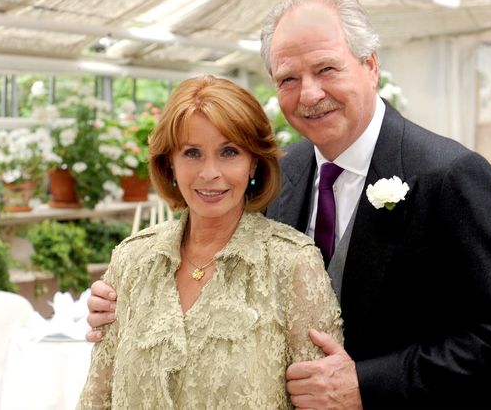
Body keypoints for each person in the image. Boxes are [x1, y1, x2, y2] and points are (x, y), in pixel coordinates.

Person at [87, 0, 491, 409]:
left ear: (370, 65)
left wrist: (367, 383)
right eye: (288, 78)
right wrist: (132, 302)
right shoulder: (280, 173)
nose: (309, 93)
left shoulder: (450, 175)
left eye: (326, 69)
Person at [77, 75, 343, 409]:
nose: (209, 173)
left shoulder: (293, 264)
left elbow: (324, 400)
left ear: (254, 164)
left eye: (229, 152)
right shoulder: (131, 259)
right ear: (170, 164)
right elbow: (97, 398)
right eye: (192, 153)